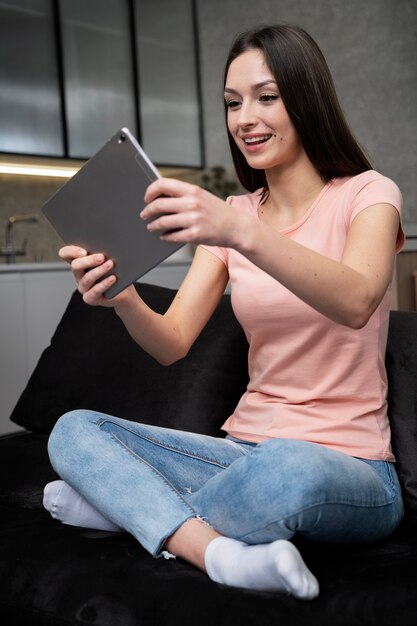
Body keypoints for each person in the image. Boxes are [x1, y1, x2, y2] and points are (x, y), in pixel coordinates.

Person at [43, 24, 405, 600]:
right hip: (238, 454)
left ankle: (127, 511)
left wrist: (242, 231)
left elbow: (358, 299)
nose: (245, 119)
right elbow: (173, 342)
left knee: (289, 467)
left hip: (349, 466)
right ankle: (217, 553)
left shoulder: (368, 194)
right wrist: (123, 299)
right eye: (233, 103)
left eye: (267, 97)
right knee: (73, 431)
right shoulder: (233, 216)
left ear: (306, 98)